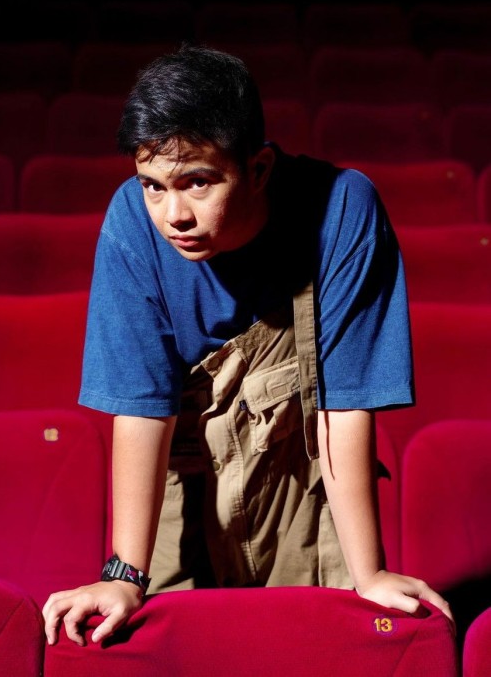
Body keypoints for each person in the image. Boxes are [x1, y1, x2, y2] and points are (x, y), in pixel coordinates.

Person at [42, 42, 453, 647]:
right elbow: (142, 407)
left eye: (197, 183)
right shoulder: (131, 220)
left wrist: (368, 574)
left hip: (303, 483)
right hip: (183, 485)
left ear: (258, 169)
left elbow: (343, 403)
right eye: (153, 185)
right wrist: (124, 574)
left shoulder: (343, 207)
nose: (173, 214)